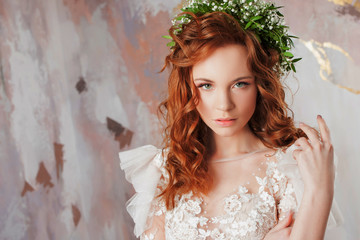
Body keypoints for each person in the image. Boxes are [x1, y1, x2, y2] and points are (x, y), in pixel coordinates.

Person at [119, 0, 343, 239]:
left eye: (239, 84)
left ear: (260, 86)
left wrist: (321, 189)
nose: (224, 105)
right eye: (206, 85)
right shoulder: (166, 169)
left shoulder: (287, 169)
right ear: (187, 89)